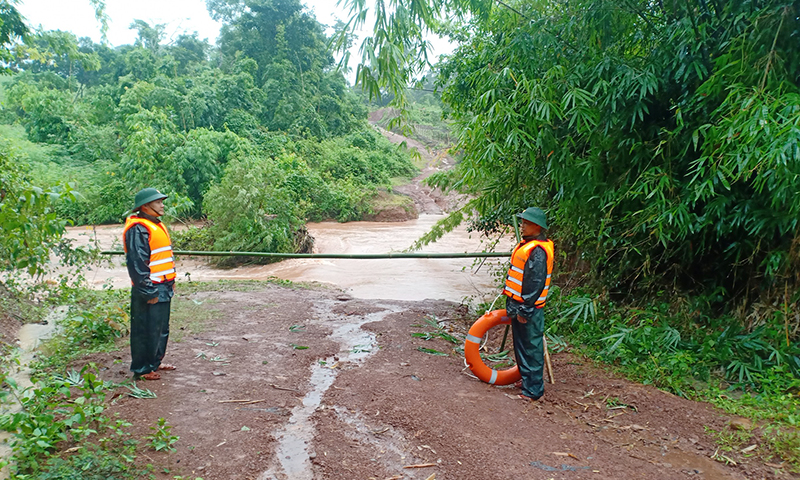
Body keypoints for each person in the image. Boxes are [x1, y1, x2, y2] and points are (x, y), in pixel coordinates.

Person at [122, 188, 177, 381]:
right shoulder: (138, 228)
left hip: (163, 285)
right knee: (145, 329)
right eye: (158, 202)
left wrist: (171, 280)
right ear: (145, 206)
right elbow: (137, 263)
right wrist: (148, 290)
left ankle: (155, 362)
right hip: (150, 288)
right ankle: (143, 368)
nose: (162, 205)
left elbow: (161, 257)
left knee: (160, 328)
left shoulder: (155, 225)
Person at [502, 207, 554, 401]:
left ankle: (533, 390)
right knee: (521, 346)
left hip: (528, 308)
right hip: (519, 305)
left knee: (531, 348)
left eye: (526, 223)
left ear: (537, 227)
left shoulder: (538, 251)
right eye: (522, 222)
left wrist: (526, 308)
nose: (522, 226)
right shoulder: (529, 245)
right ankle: (527, 380)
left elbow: (535, 282)